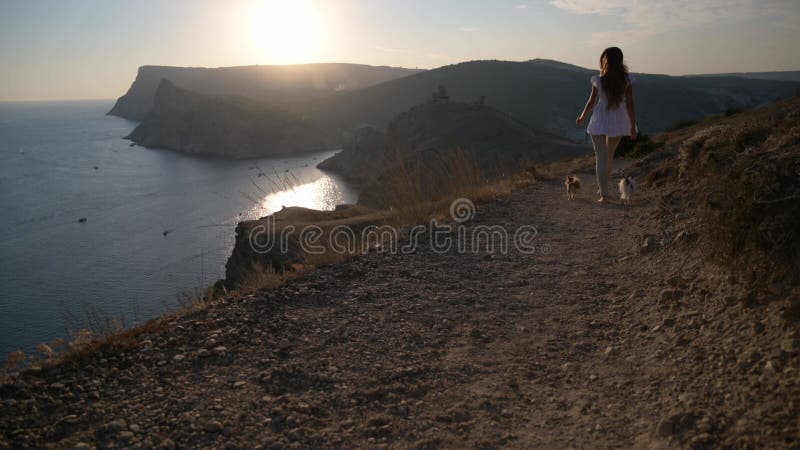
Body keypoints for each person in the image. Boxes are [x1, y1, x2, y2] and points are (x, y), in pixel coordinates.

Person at [576, 47, 638, 203]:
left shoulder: (598, 80)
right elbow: (630, 104)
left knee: (601, 157)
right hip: (619, 119)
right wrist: (632, 125)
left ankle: (604, 193)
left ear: (605, 60)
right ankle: (603, 189)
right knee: (609, 156)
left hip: (600, 119)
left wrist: (582, 117)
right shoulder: (627, 80)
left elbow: (591, 102)